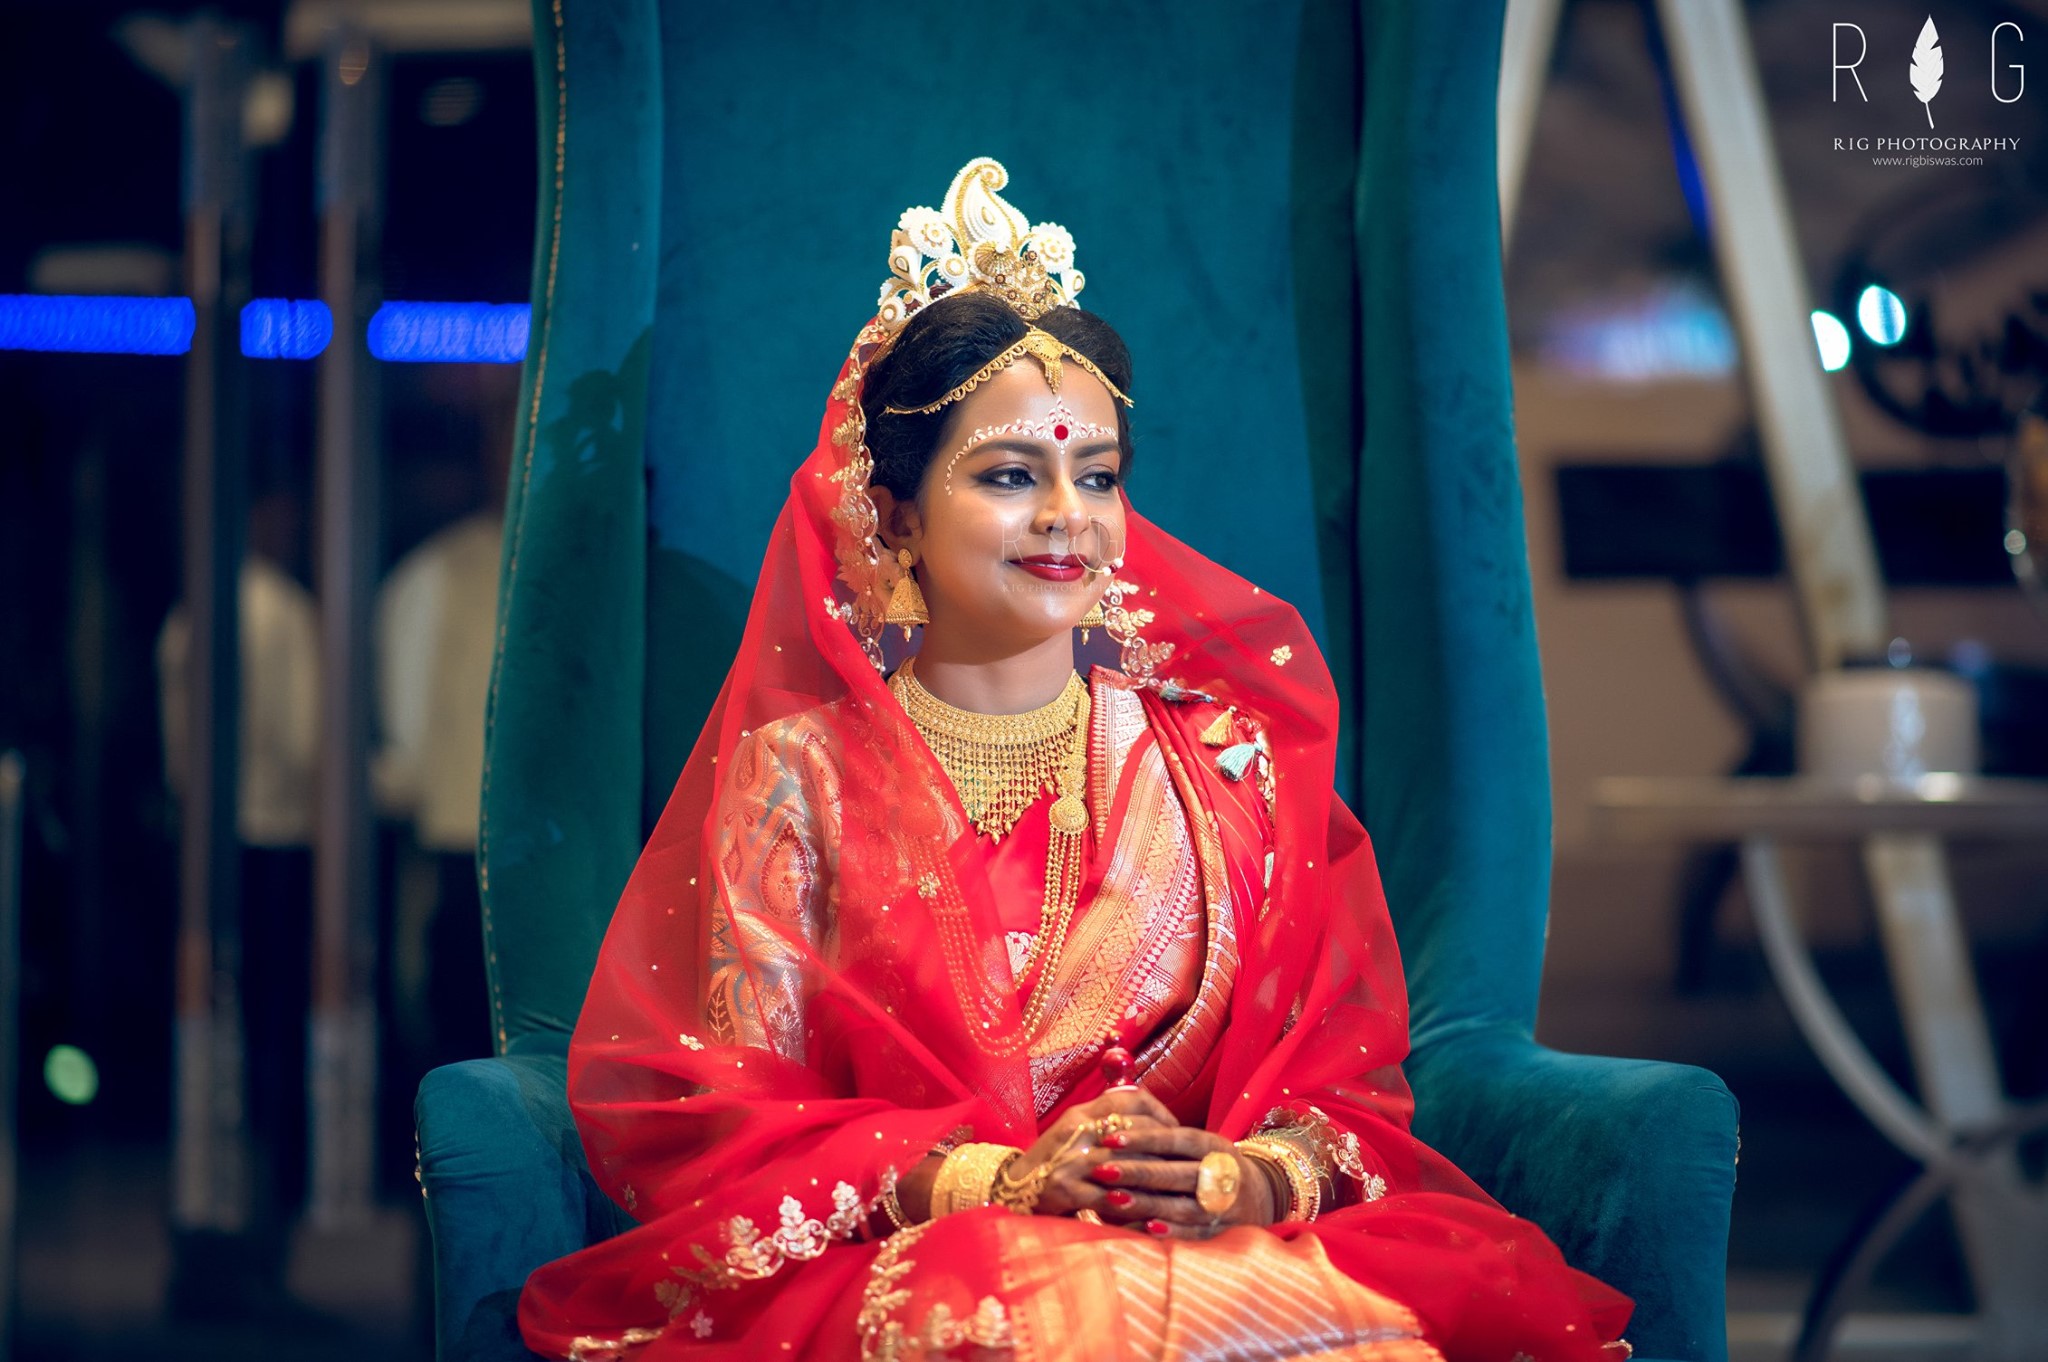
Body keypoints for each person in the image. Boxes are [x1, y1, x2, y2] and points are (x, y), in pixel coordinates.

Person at [518, 159, 1632, 1361]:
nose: (1069, 515)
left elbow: (1342, 1097)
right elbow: (724, 1120)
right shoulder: (800, 780)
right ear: (890, 513)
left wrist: (1233, 1181)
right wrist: (992, 1182)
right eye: (1009, 475)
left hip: (1201, 1255)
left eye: (1096, 476)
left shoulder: (1223, 769)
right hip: (923, 1260)